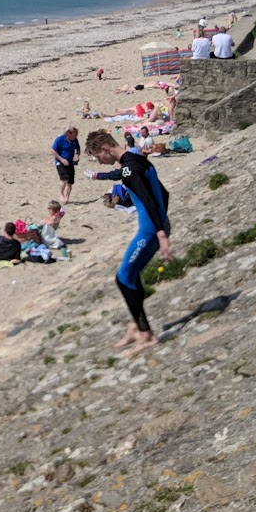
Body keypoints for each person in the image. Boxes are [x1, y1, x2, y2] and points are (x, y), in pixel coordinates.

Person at [84, 129, 172, 354]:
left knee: (123, 279)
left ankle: (146, 335)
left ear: (105, 149)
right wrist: (163, 221)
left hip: (150, 230)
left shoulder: (130, 169)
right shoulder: (136, 161)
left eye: (98, 157)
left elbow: (149, 199)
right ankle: (136, 324)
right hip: (157, 224)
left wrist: (160, 233)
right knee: (131, 275)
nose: (100, 161)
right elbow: (164, 194)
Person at [52, 127, 80, 206]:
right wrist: (61, 159)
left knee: (70, 182)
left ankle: (67, 197)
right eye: (74, 135)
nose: (75, 137)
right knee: (64, 179)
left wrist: (77, 155)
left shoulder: (74, 140)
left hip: (70, 162)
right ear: (69, 134)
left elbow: (78, 149)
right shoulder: (60, 139)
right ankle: (61, 194)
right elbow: (52, 150)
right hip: (60, 162)